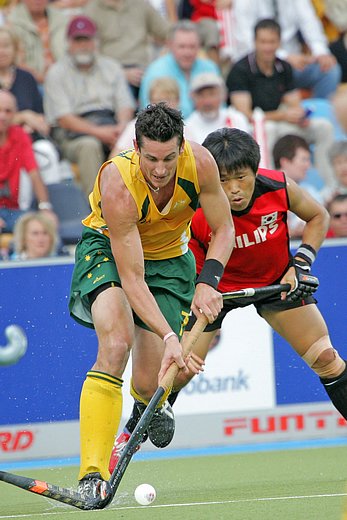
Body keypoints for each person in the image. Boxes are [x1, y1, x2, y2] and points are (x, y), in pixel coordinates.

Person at [110, 126, 347, 474]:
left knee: (327, 358)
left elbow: (318, 216)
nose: (234, 190)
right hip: (212, 291)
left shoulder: (277, 186)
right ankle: (125, 442)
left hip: (276, 285)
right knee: (174, 375)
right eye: (223, 180)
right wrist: (199, 290)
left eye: (241, 177)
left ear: (255, 170)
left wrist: (300, 263)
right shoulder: (194, 206)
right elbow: (182, 255)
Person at [68, 102, 234, 499]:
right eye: (151, 158)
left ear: (181, 148)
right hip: (110, 252)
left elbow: (224, 228)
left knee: (147, 383)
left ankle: (145, 408)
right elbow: (132, 278)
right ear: (136, 147)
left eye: (169, 158)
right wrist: (169, 335)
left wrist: (209, 281)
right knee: (116, 342)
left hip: (171, 260)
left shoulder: (202, 164)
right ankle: (91, 473)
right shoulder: (117, 183)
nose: (160, 170)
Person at [226, 18, 336, 188]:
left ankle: (330, 186)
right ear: (254, 42)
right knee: (267, 130)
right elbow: (245, 115)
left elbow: (294, 102)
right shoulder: (240, 70)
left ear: (279, 43)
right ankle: (267, 187)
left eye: (272, 42)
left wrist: (299, 115)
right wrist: (283, 115)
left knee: (324, 127)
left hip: (281, 122)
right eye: (263, 42)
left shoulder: (284, 67)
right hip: (253, 129)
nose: (267, 47)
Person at [44, 15, 135, 198]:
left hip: (111, 124)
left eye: (87, 39)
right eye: (78, 40)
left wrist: (121, 127)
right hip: (73, 134)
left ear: (96, 41)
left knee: (133, 138)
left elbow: (125, 105)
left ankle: (133, 202)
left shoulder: (111, 66)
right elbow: (64, 118)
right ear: (68, 43)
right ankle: (98, 206)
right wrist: (100, 132)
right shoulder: (56, 73)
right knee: (89, 146)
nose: (83, 45)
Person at [0, 26, 63, 191]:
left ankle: (48, 206)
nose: (2, 51)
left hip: (29, 139)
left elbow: (41, 116)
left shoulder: (26, 78)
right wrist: (24, 117)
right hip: (4, 144)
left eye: (6, 46)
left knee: (46, 151)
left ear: (15, 49)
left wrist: (31, 121)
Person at [84, 0, 170, 101]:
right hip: (109, 72)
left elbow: (169, 33)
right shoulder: (92, 10)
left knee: (165, 94)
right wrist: (120, 73)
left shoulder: (141, 4)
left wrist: (163, 58)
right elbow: (89, 52)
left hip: (144, 69)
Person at [139, 20, 221, 118]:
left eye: (192, 47)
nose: (187, 53)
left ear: (199, 46)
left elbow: (221, 107)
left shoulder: (210, 68)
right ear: (170, 45)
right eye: (182, 47)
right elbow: (147, 113)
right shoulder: (156, 72)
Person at [0, 90, 56, 233]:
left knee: (42, 226)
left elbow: (34, 173)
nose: (3, 116)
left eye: (8, 111)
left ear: (14, 114)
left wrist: (45, 208)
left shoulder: (19, 134)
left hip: (16, 211)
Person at [272, 134, 324, 238]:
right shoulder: (265, 191)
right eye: (304, 159)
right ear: (285, 162)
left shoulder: (310, 192)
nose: (308, 165)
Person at [7, 0, 68, 86]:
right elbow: (14, 61)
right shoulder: (11, 23)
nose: (37, 1)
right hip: (30, 82)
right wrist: (40, 78)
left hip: (63, 78)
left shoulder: (61, 19)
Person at [185, 71, 250, 144]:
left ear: (223, 95)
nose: (207, 101)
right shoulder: (187, 128)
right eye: (201, 95)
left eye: (212, 94)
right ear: (193, 98)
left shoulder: (237, 120)